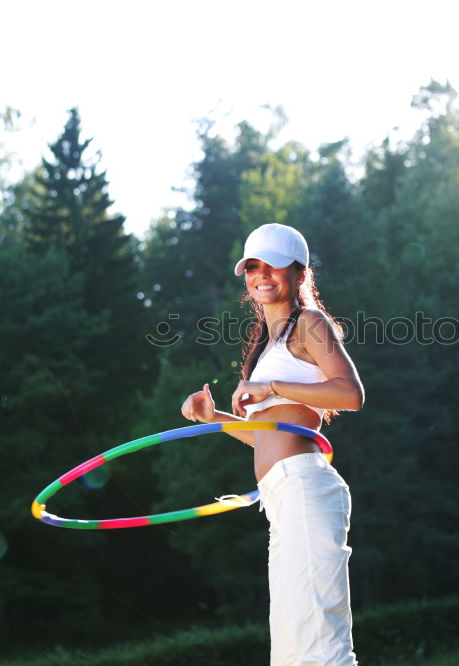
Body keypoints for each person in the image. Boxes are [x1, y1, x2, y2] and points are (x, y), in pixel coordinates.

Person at [180, 223, 364, 665]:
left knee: (322, 649)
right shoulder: (267, 347)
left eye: (273, 266)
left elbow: (351, 394)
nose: (261, 275)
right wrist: (215, 420)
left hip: (304, 488)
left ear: (299, 275)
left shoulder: (310, 324)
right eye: (252, 266)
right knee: (289, 655)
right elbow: (267, 435)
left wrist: (273, 386)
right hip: (280, 499)